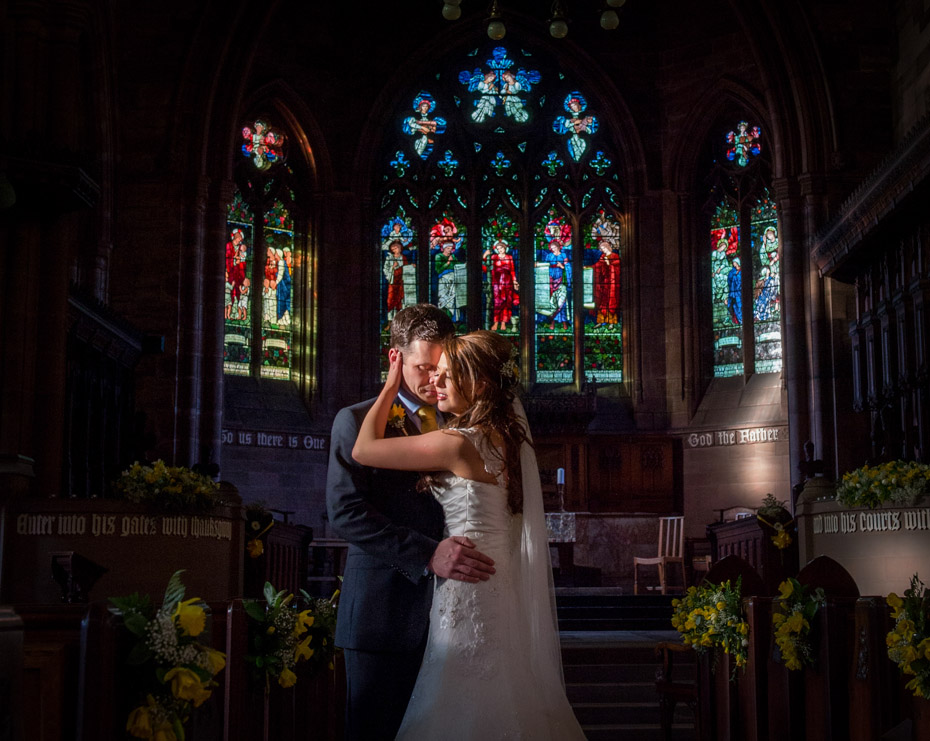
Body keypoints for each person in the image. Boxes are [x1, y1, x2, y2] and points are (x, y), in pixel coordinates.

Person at [352, 330, 586, 740]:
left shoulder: (459, 443)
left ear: (477, 383)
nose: (434, 384)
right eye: (433, 374)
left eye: (446, 376)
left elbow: (364, 450)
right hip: (497, 581)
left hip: (466, 585)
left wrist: (390, 385)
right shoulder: (509, 438)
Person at [326, 304, 496, 741]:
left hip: (450, 616)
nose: (433, 381)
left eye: (441, 368)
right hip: (381, 614)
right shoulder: (357, 421)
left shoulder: (464, 423)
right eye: (422, 367)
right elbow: (345, 512)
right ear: (395, 358)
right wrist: (427, 553)